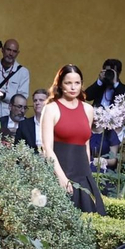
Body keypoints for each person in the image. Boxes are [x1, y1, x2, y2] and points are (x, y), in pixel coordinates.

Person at [39, 65, 105, 214]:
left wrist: (87, 171)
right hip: (59, 171)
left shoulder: (88, 109)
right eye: (68, 83)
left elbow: (86, 142)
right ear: (60, 84)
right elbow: (47, 147)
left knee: (89, 220)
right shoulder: (51, 108)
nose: (73, 87)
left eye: (77, 83)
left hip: (83, 173)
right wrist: (61, 177)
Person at [0, 40, 29, 119]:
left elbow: (23, 97)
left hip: (14, 118)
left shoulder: (23, 72)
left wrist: (4, 96)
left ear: (17, 53)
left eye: (14, 51)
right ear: (2, 50)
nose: (11, 54)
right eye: (8, 50)